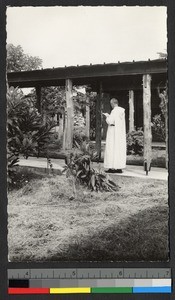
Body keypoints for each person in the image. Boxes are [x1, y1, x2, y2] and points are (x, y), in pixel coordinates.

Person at [103, 98, 126, 173]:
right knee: (119, 149)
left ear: (113, 103)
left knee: (111, 148)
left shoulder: (114, 111)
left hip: (113, 133)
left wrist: (107, 116)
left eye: (111, 104)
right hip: (120, 133)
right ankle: (119, 167)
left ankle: (111, 167)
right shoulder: (122, 111)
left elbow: (111, 121)